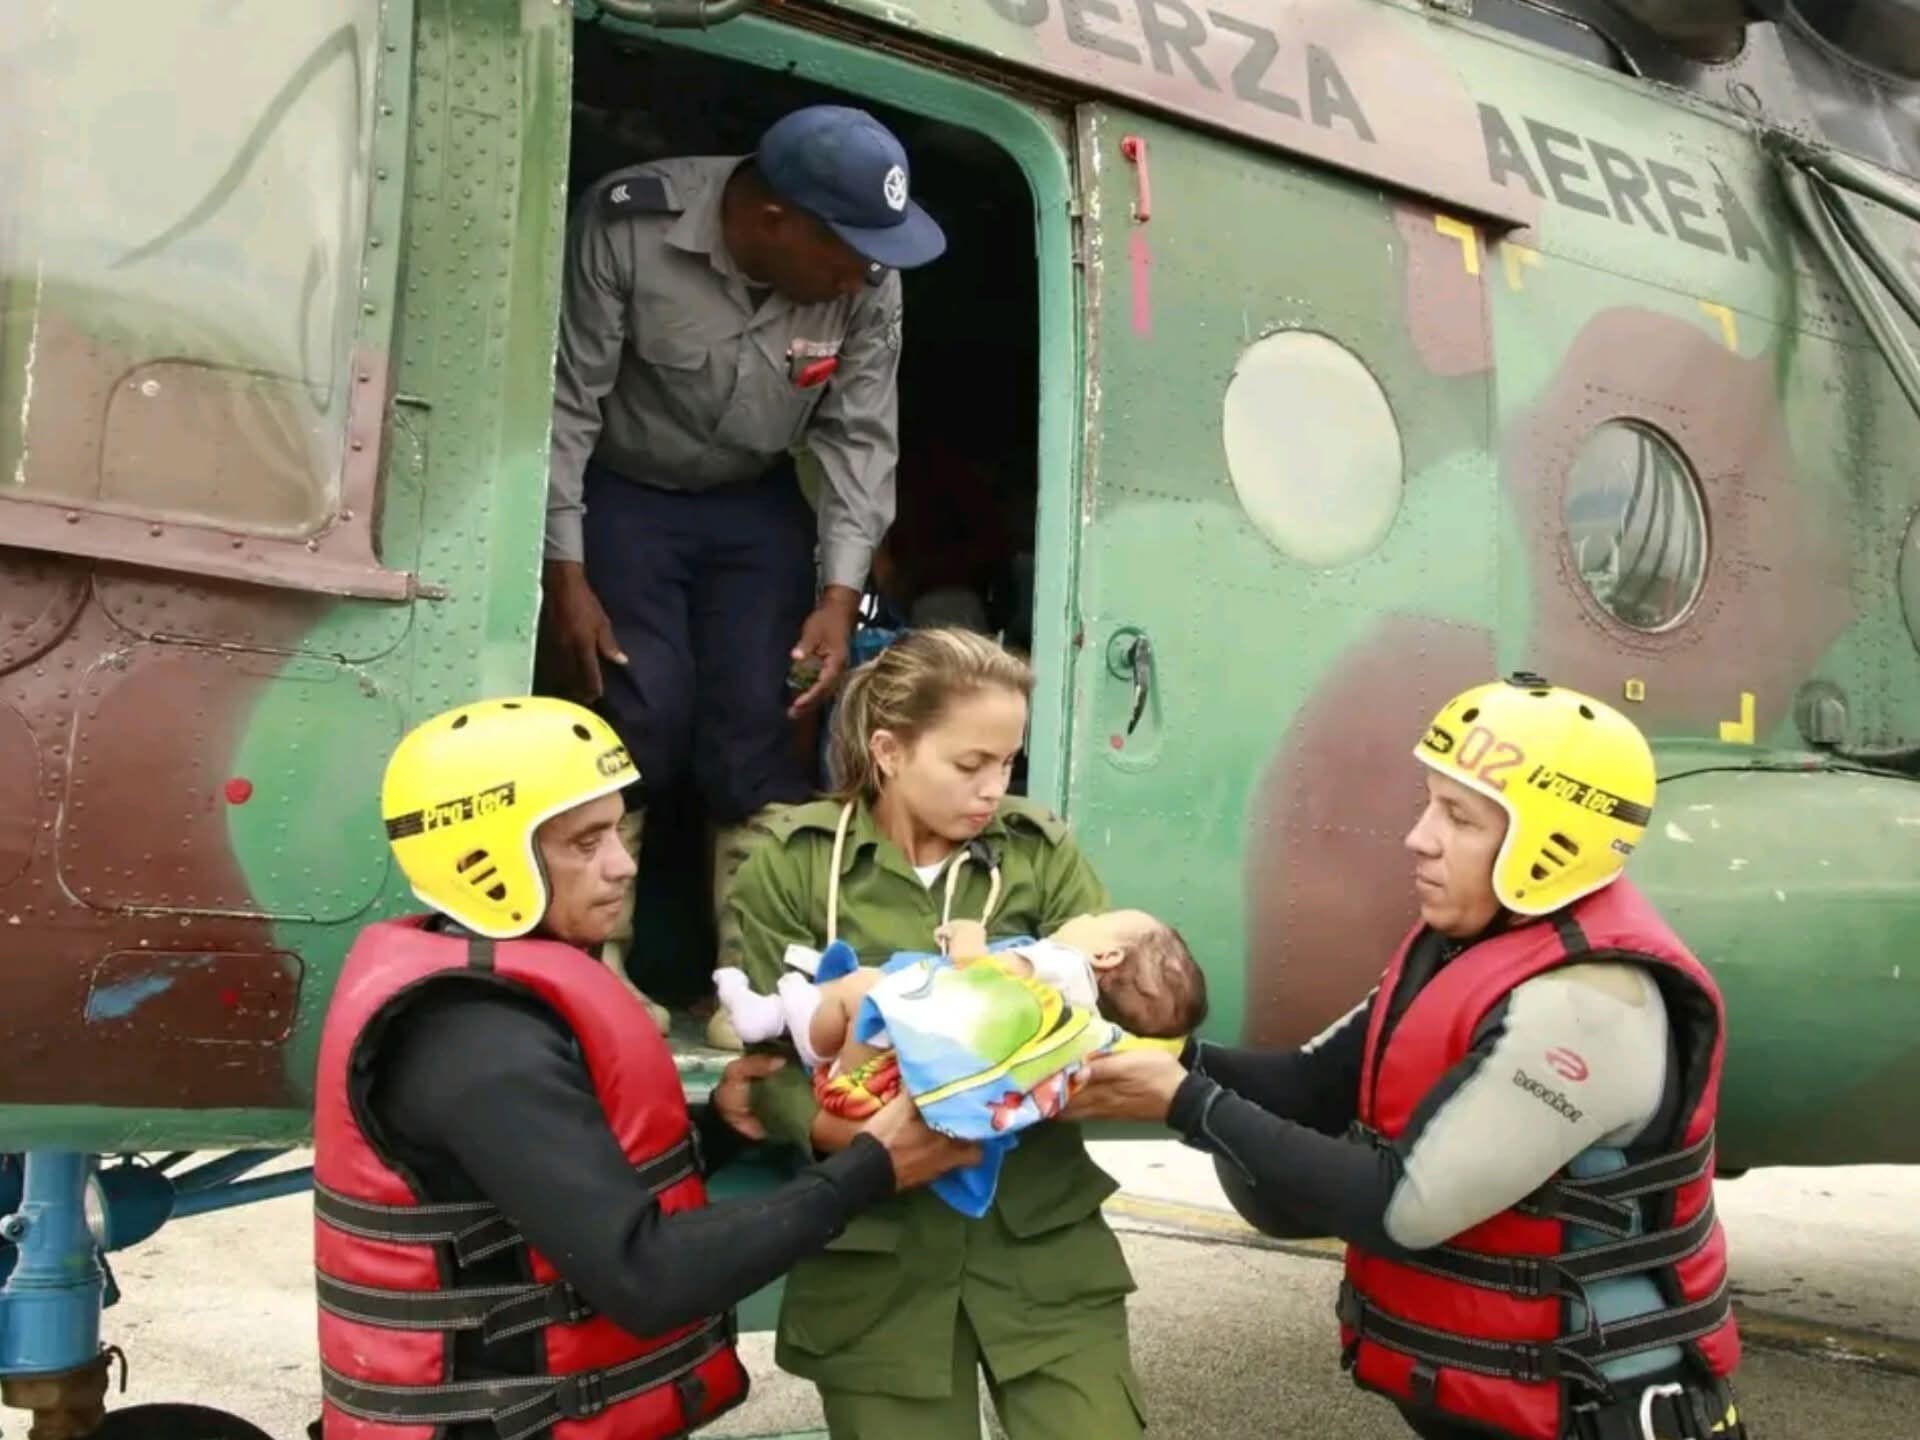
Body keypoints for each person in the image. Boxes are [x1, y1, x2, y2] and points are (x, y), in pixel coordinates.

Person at [1064, 673, 1748, 1440]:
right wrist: (1156, 1052)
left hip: (1597, 1413)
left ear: (1549, 844)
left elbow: (1405, 1208)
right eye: (1429, 803)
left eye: (1458, 816)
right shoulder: (1463, 946)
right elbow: (1312, 1084)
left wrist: (1182, 1103)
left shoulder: (1585, 1003)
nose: (1418, 837)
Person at [309, 696, 978, 1440]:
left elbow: (539, 1183)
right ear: (484, 862)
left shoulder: (484, 996)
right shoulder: (475, 1042)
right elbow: (648, 1278)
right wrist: (873, 1169)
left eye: (618, 831)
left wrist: (718, 1131)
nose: (624, 865)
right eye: (586, 842)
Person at [538, 102, 948, 1017]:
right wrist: (564, 572)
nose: (865, 270)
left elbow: (859, 435)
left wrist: (840, 594)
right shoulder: (629, 226)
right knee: (632, 705)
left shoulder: (868, 275)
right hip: (623, 487)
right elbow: (565, 406)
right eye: (845, 247)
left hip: (755, 497)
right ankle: (596, 976)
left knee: (768, 716)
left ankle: (759, 988)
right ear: (772, 220)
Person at [722, 628, 1150, 1438]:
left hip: (1039, 1238)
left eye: (1007, 764)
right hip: (877, 1248)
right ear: (887, 750)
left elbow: (1098, 1019)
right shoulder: (796, 862)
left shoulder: (1037, 854)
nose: (993, 789)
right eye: (968, 764)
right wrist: (855, 1134)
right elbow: (764, 1072)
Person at [715, 911, 1206, 1070]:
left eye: (1099, 919)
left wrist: (968, 932)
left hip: (913, 1021)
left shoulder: (1060, 966)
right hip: (928, 1054)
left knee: (861, 987)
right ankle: (793, 1017)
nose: (1086, 916)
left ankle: (783, 1020)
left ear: (1106, 957)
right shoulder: (1085, 1023)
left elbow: (976, 969)